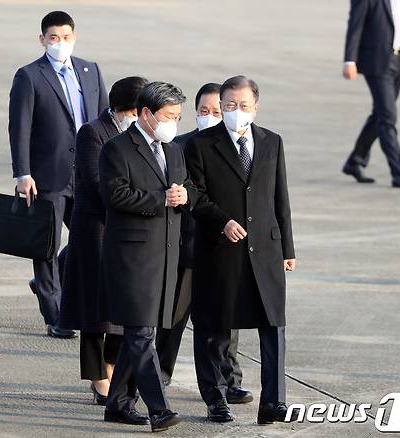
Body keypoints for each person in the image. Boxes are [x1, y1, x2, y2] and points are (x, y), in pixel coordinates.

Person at [185, 76, 295, 424]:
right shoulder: (202, 145)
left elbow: (281, 199)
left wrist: (287, 248)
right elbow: (195, 195)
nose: (235, 111)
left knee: (273, 325)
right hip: (221, 249)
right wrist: (222, 221)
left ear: (255, 106)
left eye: (243, 105)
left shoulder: (271, 142)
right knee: (215, 327)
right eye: (229, 105)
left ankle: (273, 401)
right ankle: (216, 398)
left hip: (265, 250)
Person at [99, 81, 195, 433]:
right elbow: (115, 195)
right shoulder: (117, 149)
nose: (174, 123)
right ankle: (159, 409)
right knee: (141, 333)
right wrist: (161, 199)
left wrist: (185, 196)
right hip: (132, 258)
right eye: (169, 116)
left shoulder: (173, 151)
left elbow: (183, 189)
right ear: (145, 114)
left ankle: (119, 403)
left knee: (141, 334)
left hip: (165, 256)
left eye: (178, 116)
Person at [8, 11, 108, 338]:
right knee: (47, 246)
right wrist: (23, 172)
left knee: (91, 237)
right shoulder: (30, 76)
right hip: (48, 175)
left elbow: (106, 119)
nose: (59, 43)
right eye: (53, 38)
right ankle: (56, 316)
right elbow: (19, 128)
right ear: (42, 40)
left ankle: (48, 284)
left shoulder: (90, 71)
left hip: (89, 172)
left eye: (65, 37)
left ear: (74, 37)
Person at [155, 82, 252, 406]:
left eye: (216, 110)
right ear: (194, 113)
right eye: (203, 111)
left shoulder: (237, 150)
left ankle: (230, 380)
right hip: (184, 249)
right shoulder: (176, 146)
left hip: (220, 251)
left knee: (225, 322)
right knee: (172, 320)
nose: (210, 117)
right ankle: (158, 376)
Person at [59, 76, 148, 405]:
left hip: (127, 231)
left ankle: (112, 368)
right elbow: (99, 182)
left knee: (122, 307)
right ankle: (99, 377)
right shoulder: (93, 132)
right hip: (95, 230)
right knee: (96, 308)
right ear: (126, 109)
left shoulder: (140, 134)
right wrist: (143, 197)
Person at [341, 0, 400, 188]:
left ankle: (355, 161)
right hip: (376, 62)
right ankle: (399, 173)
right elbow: (356, 23)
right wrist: (349, 60)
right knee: (387, 116)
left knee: (380, 113)